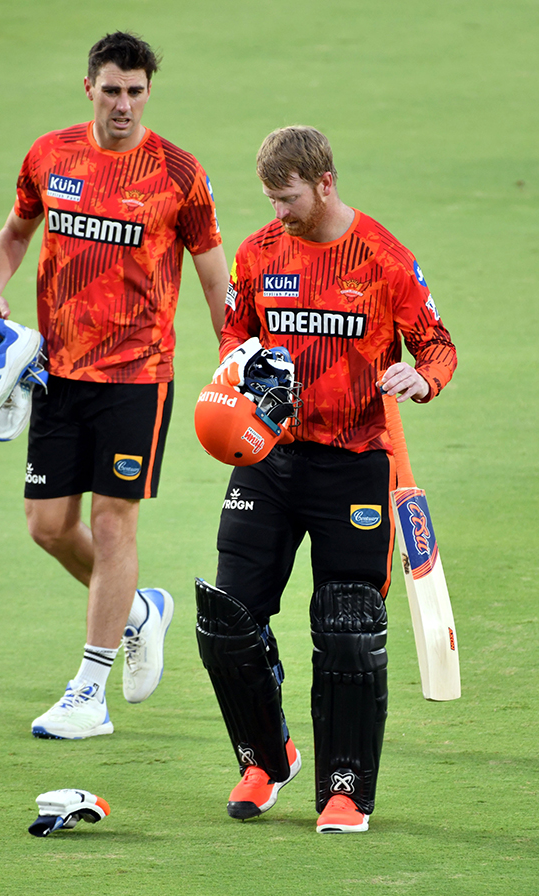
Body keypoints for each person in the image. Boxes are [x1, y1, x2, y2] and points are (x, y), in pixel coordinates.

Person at [194, 126, 456, 833]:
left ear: (325, 183)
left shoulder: (383, 258)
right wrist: (241, 372)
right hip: (269, 459)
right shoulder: (257, 254)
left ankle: (345, 790)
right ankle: (265, 757)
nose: (277, 211)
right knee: (227, 623)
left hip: (355, 465)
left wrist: (420, 379)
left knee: (347, 626)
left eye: (288, 197)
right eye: (270, 198)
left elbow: (437, 344)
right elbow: (234, 333)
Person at [0, 32, 228, 739]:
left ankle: (89, 689)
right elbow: (16, 232)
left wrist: (235, 359)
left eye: (136, 91)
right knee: (47, 525)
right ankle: (140, 612)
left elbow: (213, 277)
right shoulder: (50, 155)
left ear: (150, 91)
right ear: (88, 86)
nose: (123, 103)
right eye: (112, 89)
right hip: (57, 370)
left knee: (116, 521)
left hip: (136, 377)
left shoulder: (179, 174)